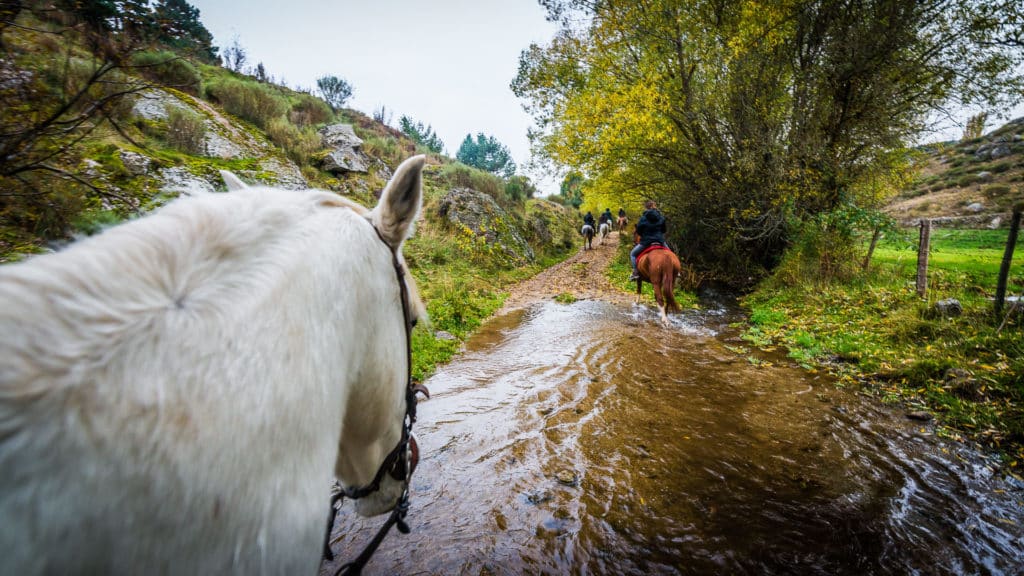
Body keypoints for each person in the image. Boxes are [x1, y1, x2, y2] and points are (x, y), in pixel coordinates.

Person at [630, 200, 667, 281]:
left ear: (646, 207)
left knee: (632, 254)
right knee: (670, 253)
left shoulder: (643, 218)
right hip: (660, 240)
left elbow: (639, 230)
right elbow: (664, 230)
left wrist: (644, 234)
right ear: (654, 206)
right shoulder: (660, 217)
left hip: (646, 242)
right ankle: (677, 271)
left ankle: (635, 272)